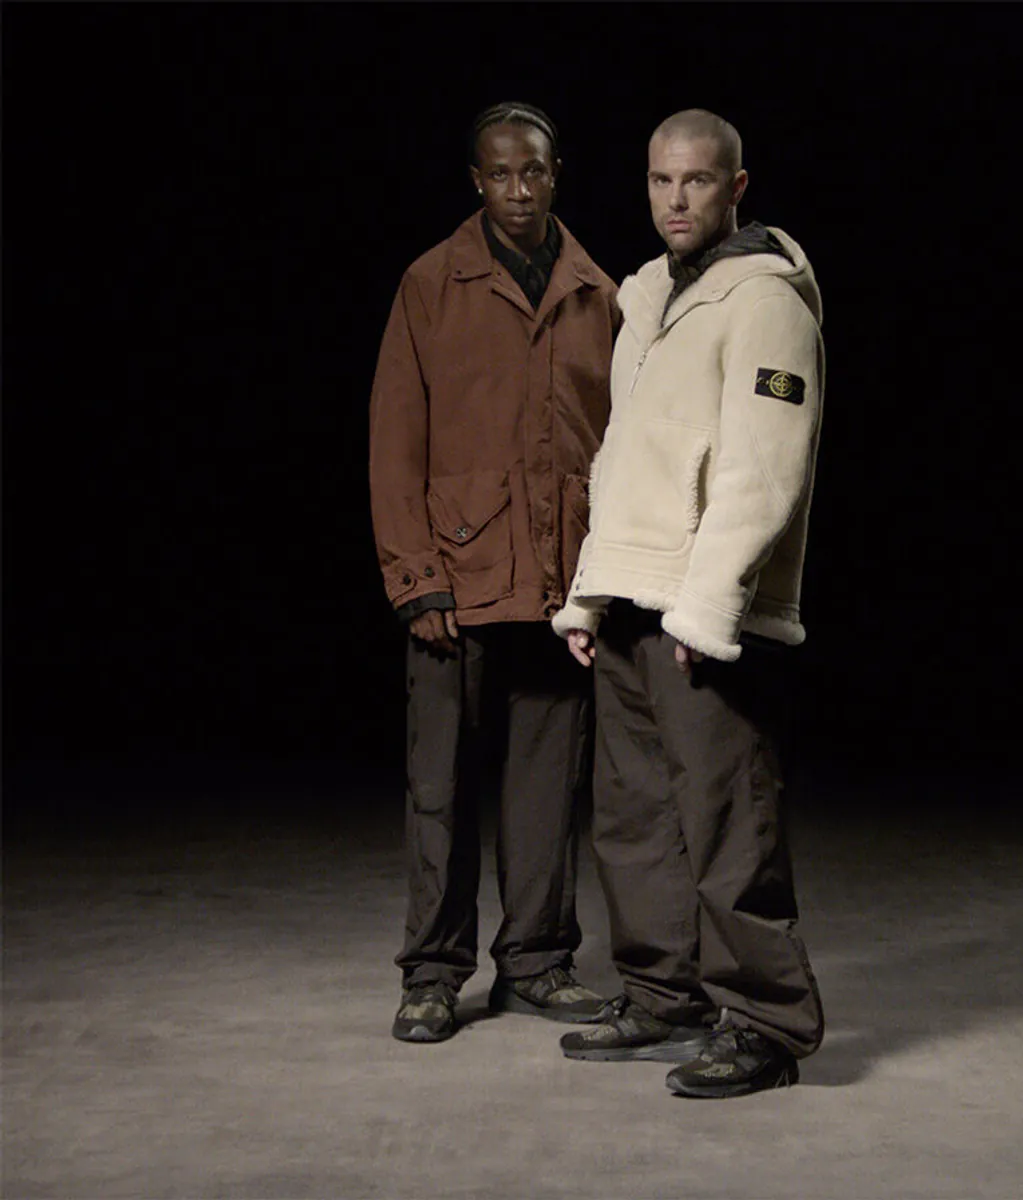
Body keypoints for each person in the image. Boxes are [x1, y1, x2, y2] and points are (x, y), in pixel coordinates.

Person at [551, 109, 826, 1098]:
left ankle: (767, 1022)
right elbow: (622, 458)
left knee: (726, 821)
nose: (676, 199)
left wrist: (708, 612)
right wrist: (587, 595)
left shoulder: (767, 302)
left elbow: (763, 472)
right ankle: (663, 993)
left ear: (735, 187)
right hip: (631, 598)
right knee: (634, 821)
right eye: (661, 180)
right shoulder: (649, 297)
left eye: (698, 180)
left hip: (699, 614)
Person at [369, 102, 619, 1043]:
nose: (519, 189)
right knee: (440, 787)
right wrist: (415, 577)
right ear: (476, 181)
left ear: (557, 174)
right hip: (457, 581)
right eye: (501, 173)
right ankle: (433, 973)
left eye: (534, 171)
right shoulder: (431, 283)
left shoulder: (598, 291)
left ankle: (538, 962)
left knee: (547, 791)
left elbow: (619, 443)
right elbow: (394, 440)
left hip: (560, 585)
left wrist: (602, 577)